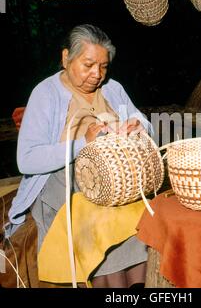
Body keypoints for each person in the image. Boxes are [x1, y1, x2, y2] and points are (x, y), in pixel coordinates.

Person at [7, 24, 152, 288]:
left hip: (119, 181)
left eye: (104, 66)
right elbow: (26, 159)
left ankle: (140, 285)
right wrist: (81, 144)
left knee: (147, 215)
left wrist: (139, 126)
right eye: (88, 65)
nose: (97, 74)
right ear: (66, 58)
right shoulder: (46, 93)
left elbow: (140, 119)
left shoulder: (113, 88)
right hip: (65, 184)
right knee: (99, 221)